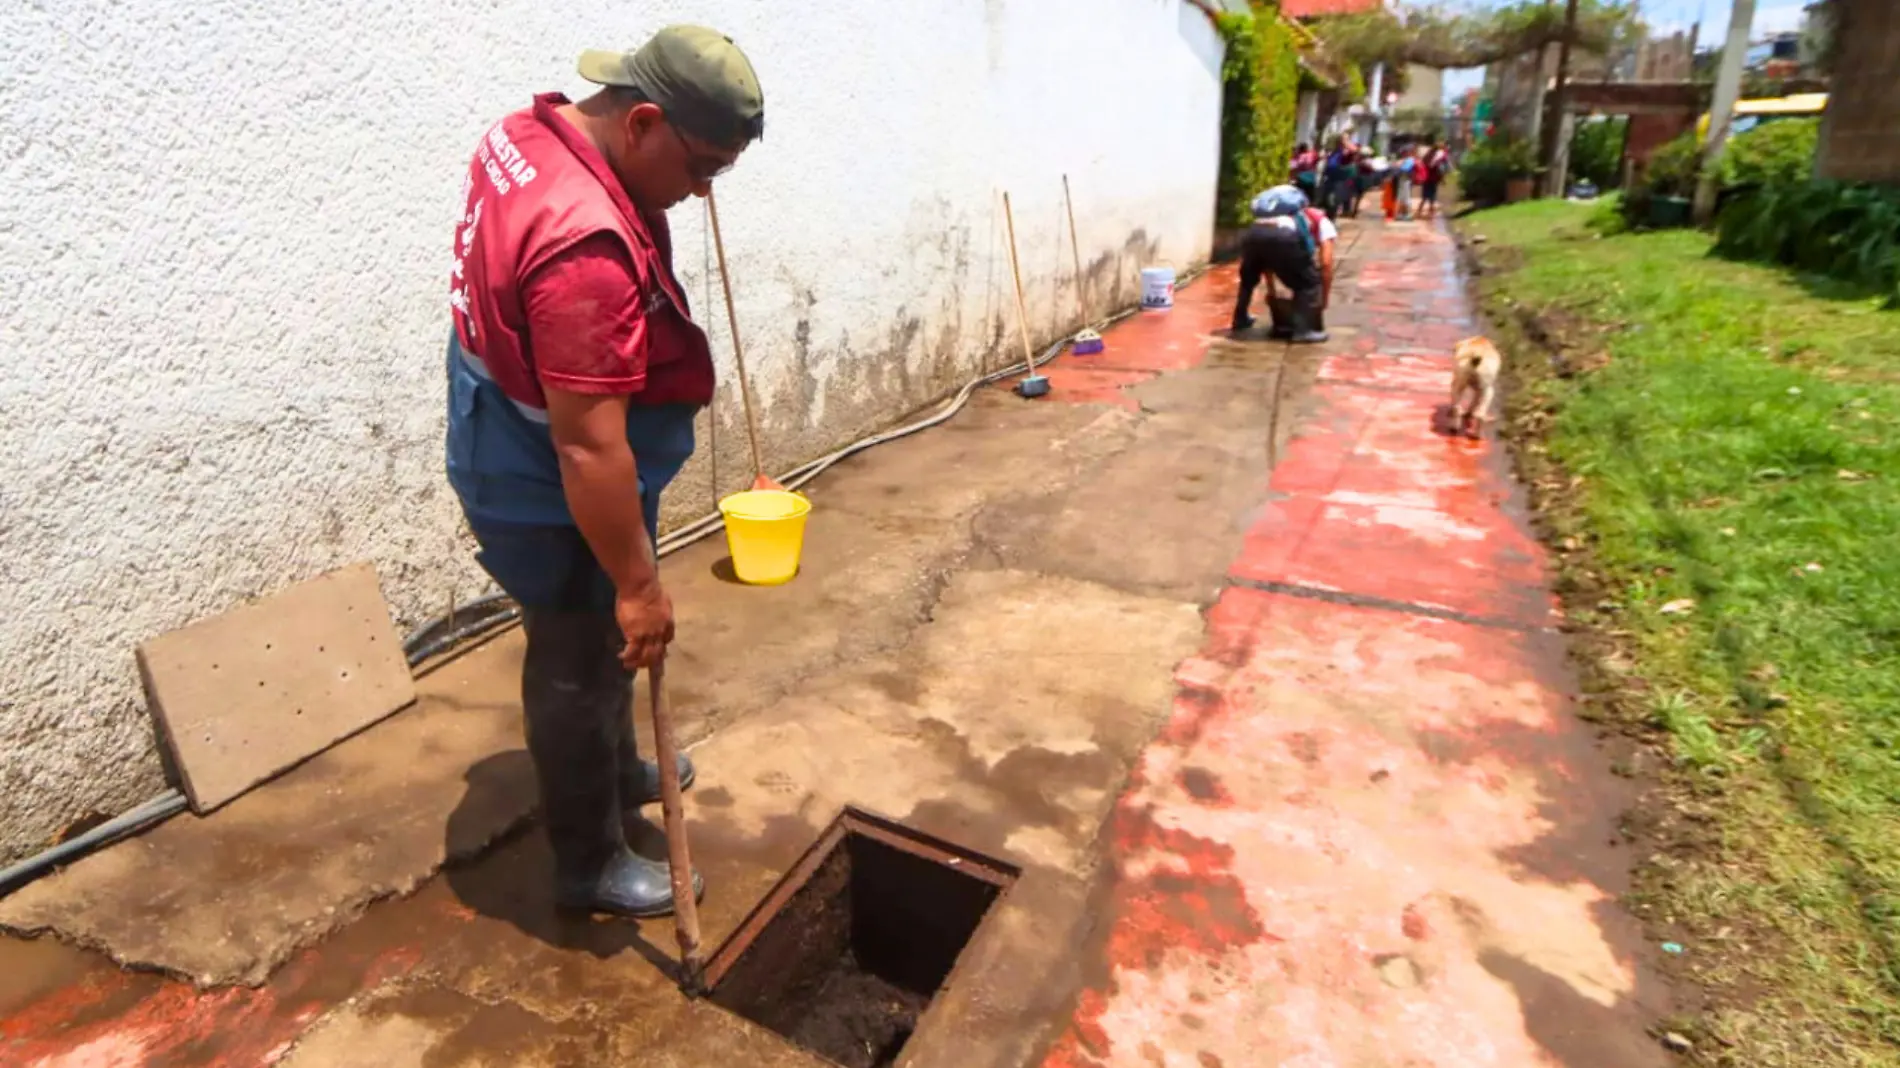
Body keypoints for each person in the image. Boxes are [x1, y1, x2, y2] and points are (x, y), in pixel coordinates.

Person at [443, 26, 765, 918]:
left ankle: (618, 770)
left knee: (602, 647)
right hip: (548, 478)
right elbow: (589, 448)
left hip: (523, 430)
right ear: (643, 122)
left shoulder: (528, 132)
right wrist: (636, 583)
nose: (702, 192)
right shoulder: (583, 249)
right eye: (703, 166)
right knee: (581, 656)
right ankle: (588, 864)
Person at [1231, 185, 1333, 344]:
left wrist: (1273, 291)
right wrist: (1323, 299)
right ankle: (1304, 331)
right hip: (1283, 237)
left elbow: (1266, 264)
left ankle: (1240, 318)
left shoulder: (1278, 213)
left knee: (1248, 279)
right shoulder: (1323, 223)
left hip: (1253, 233)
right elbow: (1326, 264)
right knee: (1308, 284)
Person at [1419, 140, 1451, 220]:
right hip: (1433, 179)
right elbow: (1440, 169)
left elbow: (1423, 163)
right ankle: (1431, 215)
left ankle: (1419, 212)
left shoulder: (1428, 155)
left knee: (1424, 196)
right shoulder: (1439, 157)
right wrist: (1443, 179)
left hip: (1426, 178)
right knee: (1432, 197)